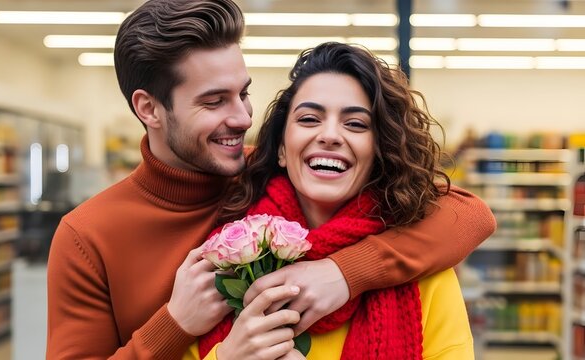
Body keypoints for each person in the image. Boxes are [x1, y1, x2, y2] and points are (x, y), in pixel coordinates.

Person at [46, 1, 495, 359]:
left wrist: (343, 272)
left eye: (243, 93)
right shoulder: (87, 236)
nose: (242, 118)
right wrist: (176, 324)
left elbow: (468, 214)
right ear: (149, 109)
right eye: (214, 101)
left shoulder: (272, 170)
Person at [188, 42, 475, 360]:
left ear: (379, 153)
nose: (330, 135)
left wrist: (344, 273)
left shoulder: (425, 274)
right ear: (282, 149)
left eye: (355, 124)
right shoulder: (228, 260)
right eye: (309, 119)